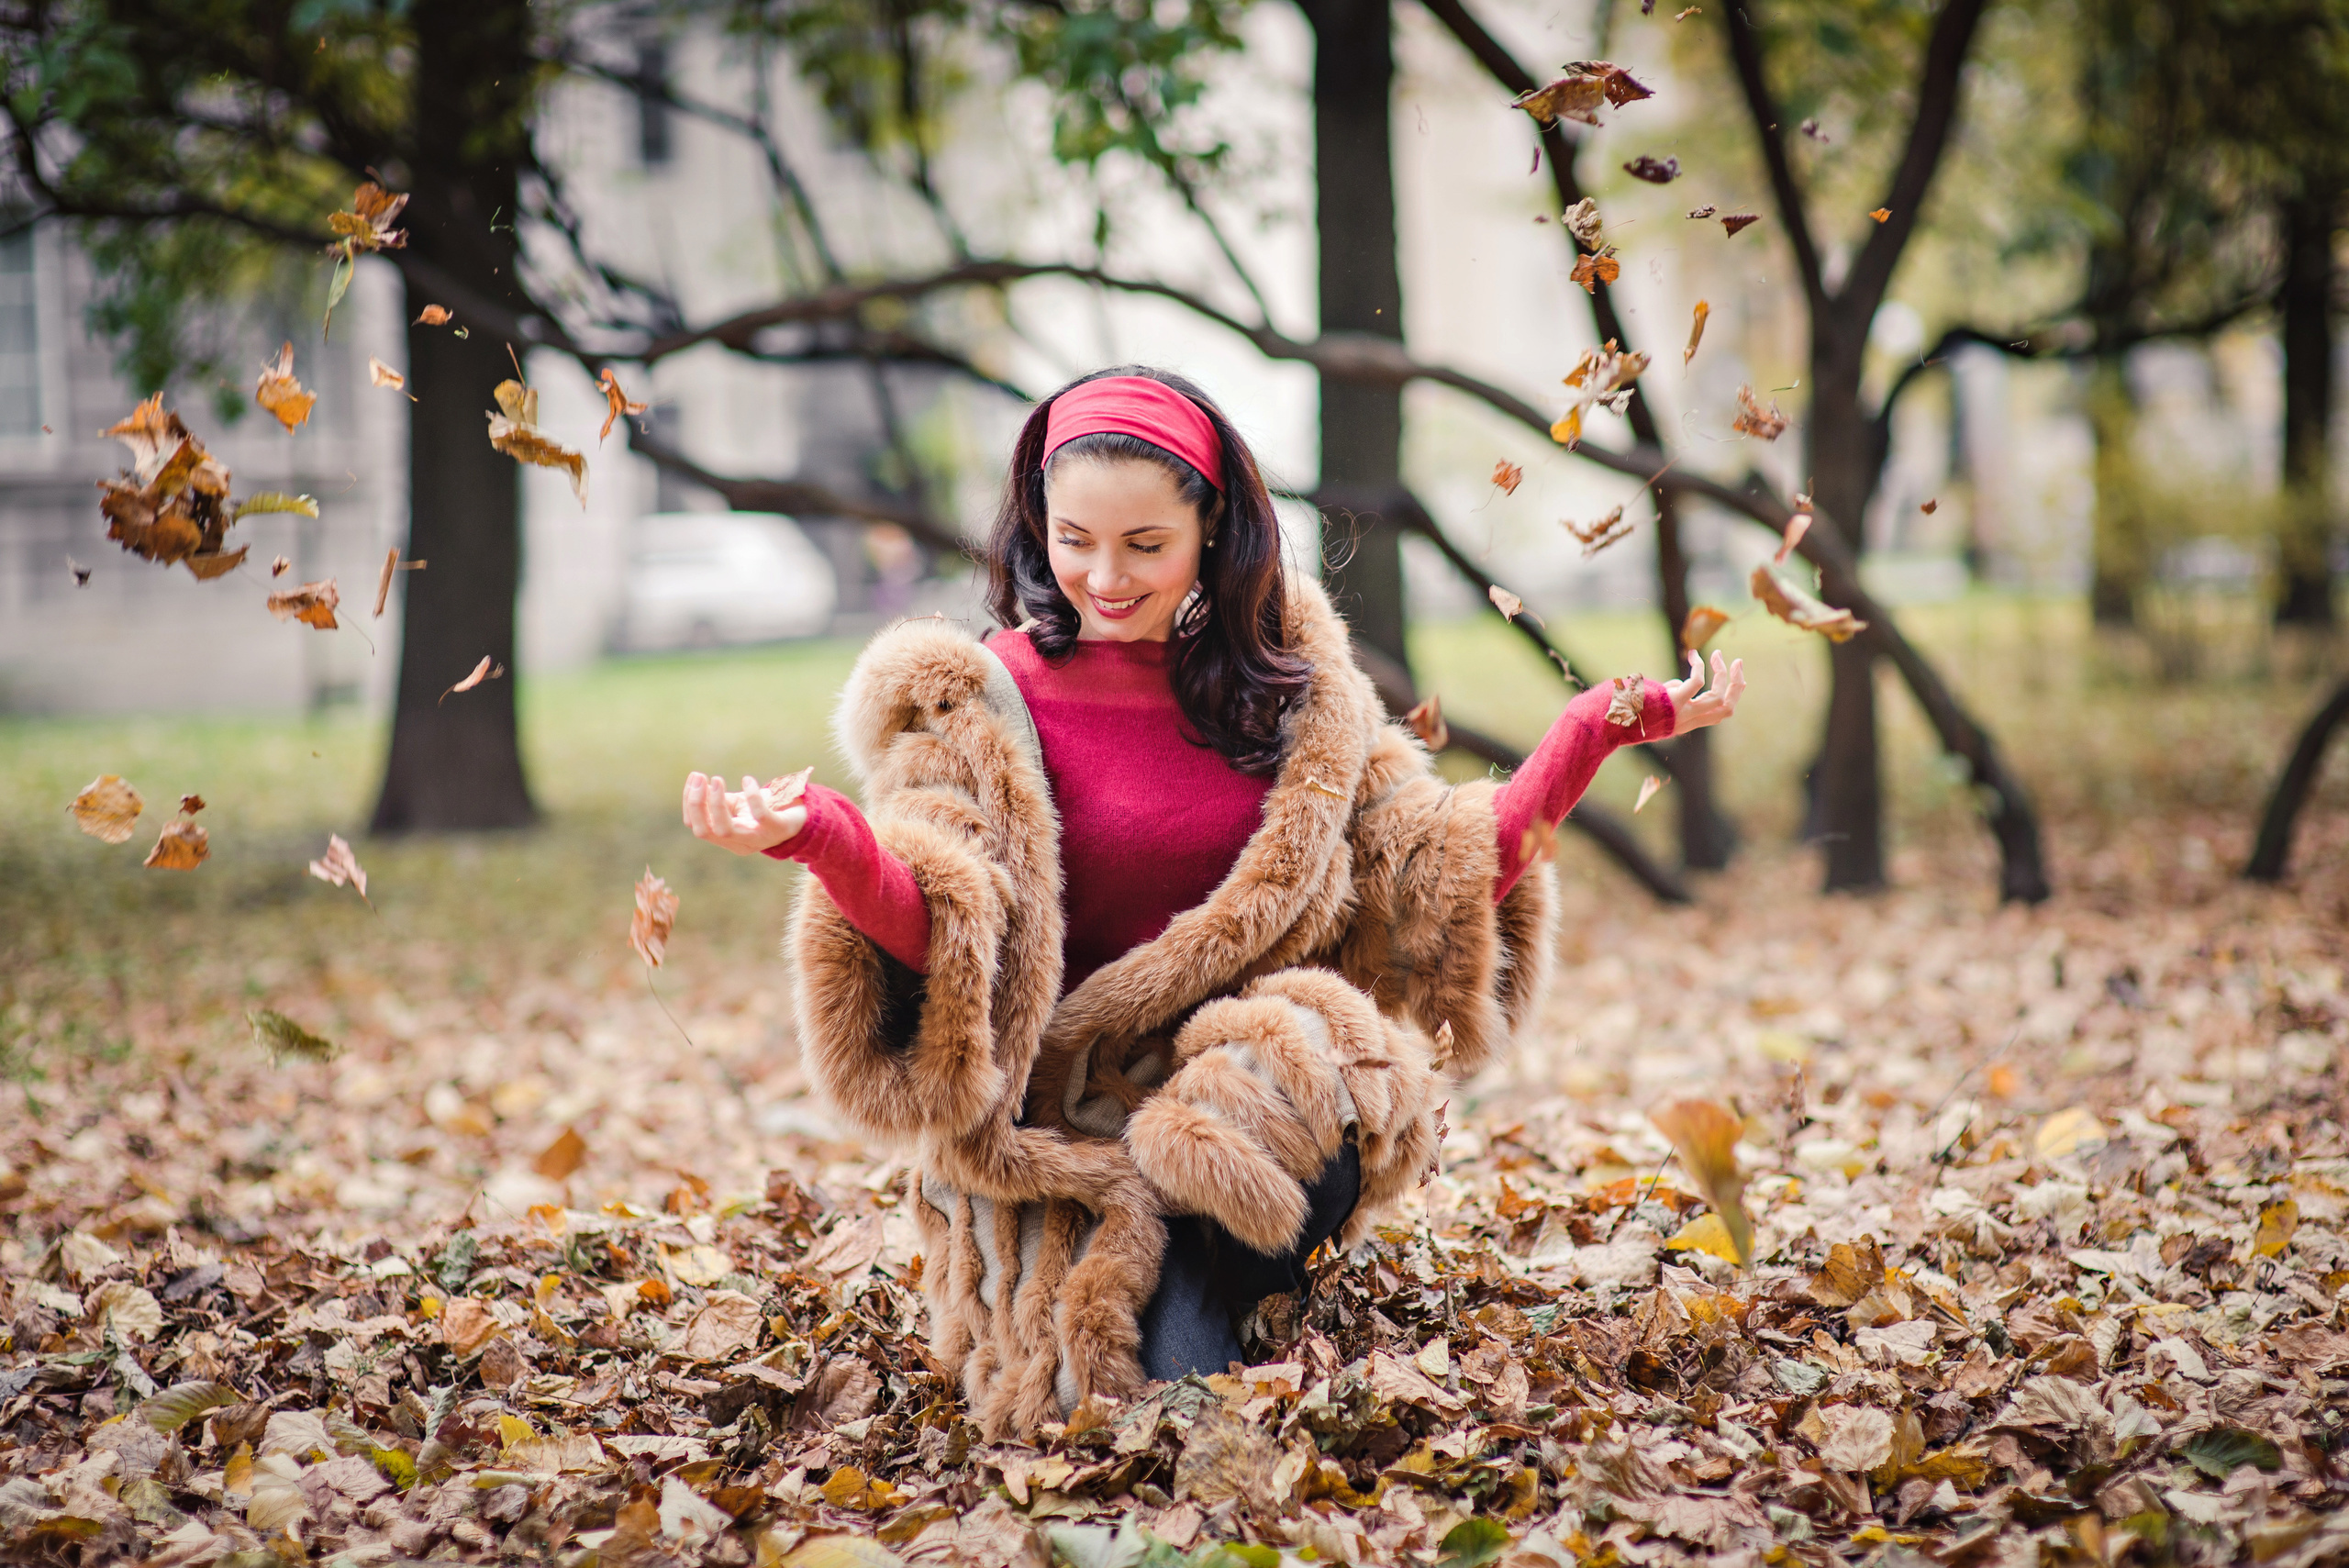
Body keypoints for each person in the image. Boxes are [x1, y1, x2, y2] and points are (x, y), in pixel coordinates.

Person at [682, 367, 1744, 1437]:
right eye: (1074, 538)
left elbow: (1436, 875)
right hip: (1064, 1144)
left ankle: (1243, 1281)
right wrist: (821, 834)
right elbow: (946, 925)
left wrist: (1591, 729)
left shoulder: (1288, 691)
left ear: (1213, 530)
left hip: (1253, 1115)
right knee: (1142, 1409)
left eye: (1145, 544)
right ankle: (1205, 1317)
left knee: (1299, 1054)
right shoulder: (975, 702)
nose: (1105, 574)